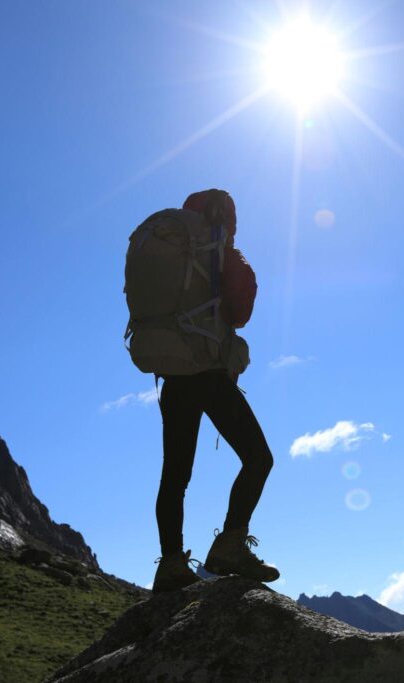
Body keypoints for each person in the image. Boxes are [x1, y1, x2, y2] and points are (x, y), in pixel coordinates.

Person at [151, 189, 279, 593]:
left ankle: (171, 562)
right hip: (208, 375)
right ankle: (230, 544)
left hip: (174, 378)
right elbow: (240, 310)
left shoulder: (169, 257)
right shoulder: (223, 256)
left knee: (175, 475)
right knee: (258, 459)